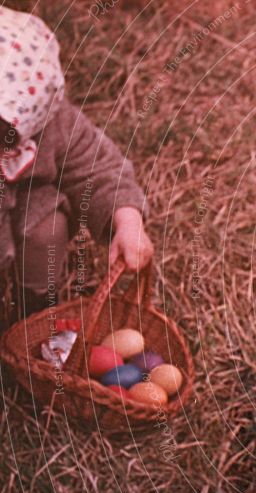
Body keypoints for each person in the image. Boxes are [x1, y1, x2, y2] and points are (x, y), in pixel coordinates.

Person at [0, 7, 152, 318]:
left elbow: (100, 169)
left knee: (46, 230)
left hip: (28, 204)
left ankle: (34, 307)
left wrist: (127, 220)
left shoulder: (53, 124)